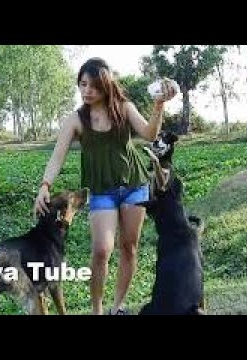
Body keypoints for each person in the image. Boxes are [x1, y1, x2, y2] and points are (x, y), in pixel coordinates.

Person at [33, 57, 177, 315]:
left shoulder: (124, 108)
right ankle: (98, 310)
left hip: (134, 185)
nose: (87, 91)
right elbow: (57, 156)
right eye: (83, 84)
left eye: (94, 86)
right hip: (101, 191)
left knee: (129, 247)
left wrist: (158, 107)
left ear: (106, 86)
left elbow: (149, 134)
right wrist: (45, 185)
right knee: (101, 250)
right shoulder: (76, 120)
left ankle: (117, 307)